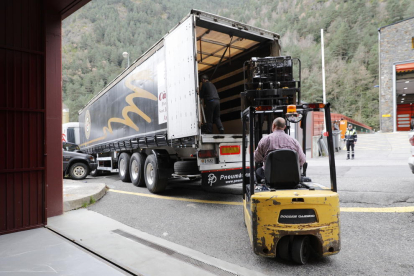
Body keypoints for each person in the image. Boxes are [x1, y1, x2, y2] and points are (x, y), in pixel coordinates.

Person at [254, 117, 306, 183]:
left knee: (258, 171)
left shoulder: (265, 140)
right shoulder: (294, 141)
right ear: (284, 127)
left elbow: (256, 158)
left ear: (273, 125)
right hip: (291, 176)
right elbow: (302, 160)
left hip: (270, 177)